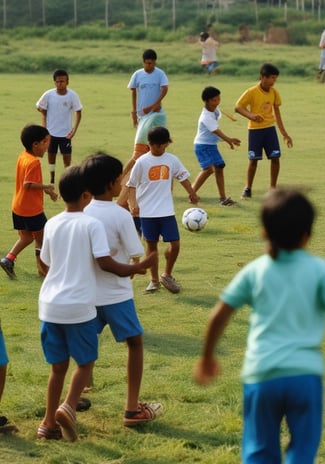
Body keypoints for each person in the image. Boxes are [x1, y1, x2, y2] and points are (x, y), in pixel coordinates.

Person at [194, 188, 325, 464]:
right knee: (302, 451)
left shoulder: (255, 270)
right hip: (304, 376)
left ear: (264, 231)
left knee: (259, 451)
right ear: (306, 235)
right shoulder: (318, 269)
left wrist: (206, 357)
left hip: (261, 375)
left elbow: (219, 315)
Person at [36, 166, 155, 442]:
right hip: (79, 306)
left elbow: (47, 262)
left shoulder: (52, 223)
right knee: (85, 364)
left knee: (57, 368)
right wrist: (139, 268)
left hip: (49, 305)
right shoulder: (91, 225)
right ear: (87, 195)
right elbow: (106, 263)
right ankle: (68, 407)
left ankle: (47, 424)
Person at [82, 153, 162, 427]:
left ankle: (75, 396)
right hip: (116, 295)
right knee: (135, 343)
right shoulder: (120, 215)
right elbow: (135, 256)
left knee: (85, 345)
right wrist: (143, 266)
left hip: (86, 296)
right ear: (110, 184)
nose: (123, 182)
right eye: (120, 179)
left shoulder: (80, 213)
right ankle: (131, 409)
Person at [126, 126, 199, 294]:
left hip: (166, 211)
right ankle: (154, 281)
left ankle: (167, 274)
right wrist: (132, 204)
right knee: (151, 246)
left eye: (161, 145)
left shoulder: (172, 160)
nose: (157, 149)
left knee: (175, 244)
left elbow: (183, 178)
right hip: (147, 213)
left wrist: (193, 193)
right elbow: (131, 186)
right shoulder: (142, 162)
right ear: (148, 144)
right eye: (154, 145)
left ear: (167, 144)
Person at [120, 49, 170, 230]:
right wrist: (134, 112)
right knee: (141, 153)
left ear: (155, 62)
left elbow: (165, 89)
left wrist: (155, 105)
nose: (150, 65)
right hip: (143, 116)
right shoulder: (137, 75)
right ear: (143, 62)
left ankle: (129, 181)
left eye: (152, 63)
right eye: (147, 63)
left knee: (148, 152)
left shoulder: (160, 74)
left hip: (155, 116)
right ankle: (122, 179)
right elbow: (133, 92)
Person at [0, 125, 58, 280]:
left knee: (26, 237)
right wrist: (46, 186)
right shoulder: (34, 163)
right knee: (41, 239)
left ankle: (9, 259)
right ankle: (44, 272)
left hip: (18, 206)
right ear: (35, 144)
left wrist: (48, 191)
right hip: (31, 209)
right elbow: (28, 184)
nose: (48, 146)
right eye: (46, 142)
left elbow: (30, 183)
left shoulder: (23, 156)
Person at [234, 63, 293, 200]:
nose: (274, 81)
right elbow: (238, 107)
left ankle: (273, 189)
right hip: (255, 131)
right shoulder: (251, 92)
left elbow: (277, 113)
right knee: (253, 160)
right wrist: (251, 116)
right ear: (262, 77)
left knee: (275, 158)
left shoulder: (274, 93)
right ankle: (248, 188)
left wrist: (284, 134)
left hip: (270, 130)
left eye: (275, 78)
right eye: (271, 78)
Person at [193, 86, 241, 206]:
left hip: (211, 145)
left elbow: (215, 128)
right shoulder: (206, 117)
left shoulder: (215, 111)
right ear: (207, 101)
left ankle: (223, 198)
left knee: (219, 168)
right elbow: (216, 131)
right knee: (208, 170)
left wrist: (228, 140)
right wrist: (229, 140)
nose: (218, 101)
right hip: (203, 146)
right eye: (214, 100)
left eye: (218, 98)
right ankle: (192, 194)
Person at [36, 69, 83, 184]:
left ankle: (66, 181)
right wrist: (44, 115)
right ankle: (52, 180)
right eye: (57, 82)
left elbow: (78, 112)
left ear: (67, 82)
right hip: (51, 133)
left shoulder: (72, 95)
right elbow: (39, 106)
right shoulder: (49, 94)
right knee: (51, 157)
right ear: (54, 82)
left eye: (62, 81)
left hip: (66, 134)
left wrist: (74, 130)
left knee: (66, 159)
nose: (59, 84)